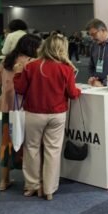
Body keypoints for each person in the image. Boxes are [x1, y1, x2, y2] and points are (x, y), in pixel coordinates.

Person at [13, 33, 81, 200]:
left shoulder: (31, 66)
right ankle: (49, 189)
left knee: (32, 149)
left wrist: (17, 74)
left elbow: (20, 89)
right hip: (57, 114)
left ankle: (32, 186)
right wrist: (79, 90)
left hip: (34, 113)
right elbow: (73, 94)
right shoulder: (66, 69)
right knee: (53, 151)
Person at [0, 34, 42, 191]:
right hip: (26, 108)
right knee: (30, 143)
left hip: (7, 107)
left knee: (7, 142)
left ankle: (4, 181)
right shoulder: (32, 62)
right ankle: (30, 182)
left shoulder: (6, 60)